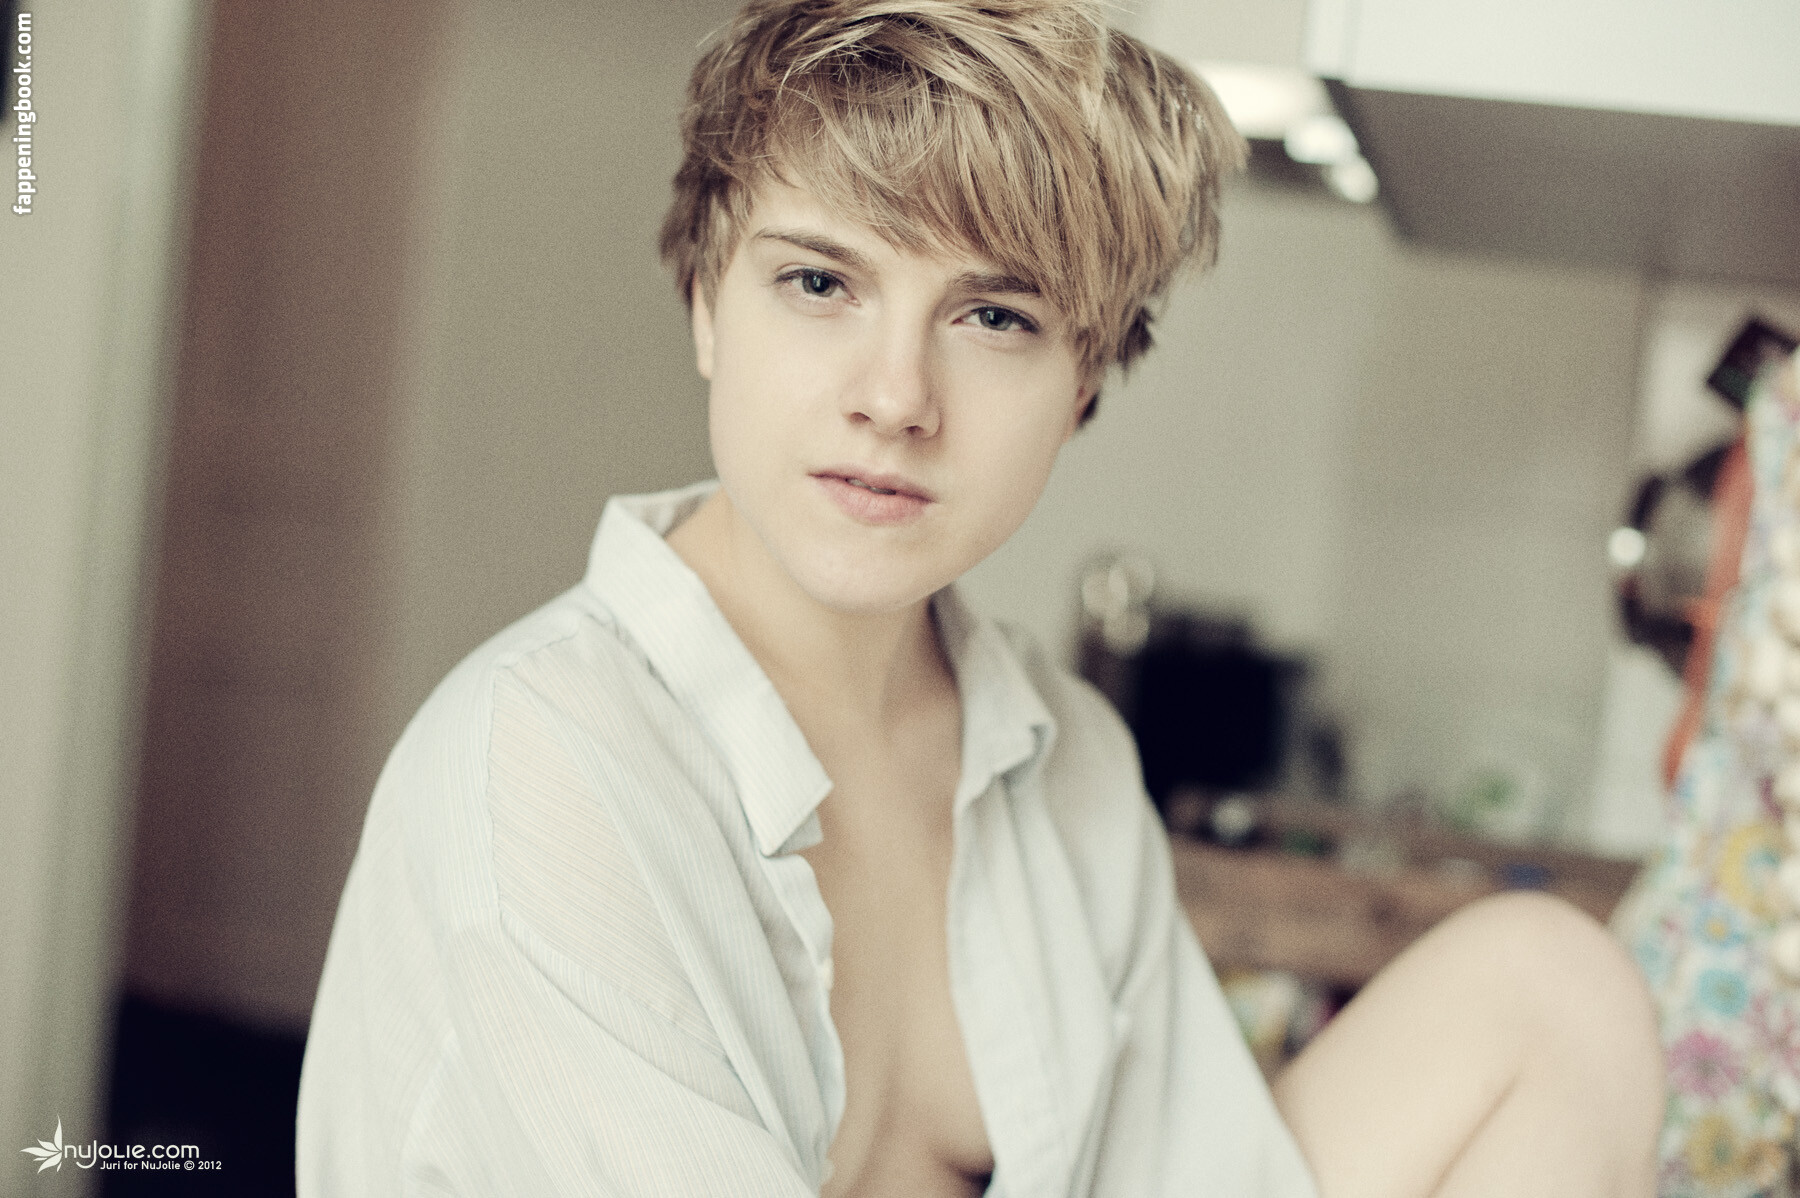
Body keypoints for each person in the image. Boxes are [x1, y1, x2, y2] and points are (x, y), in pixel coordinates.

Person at [296, 1, 1665, 1193]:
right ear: (709, 301)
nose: (896, 397)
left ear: (1086, 380)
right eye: (820, 281)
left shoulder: (1067, 764)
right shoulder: (536, 768)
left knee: (1553, 989)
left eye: (994, 316)